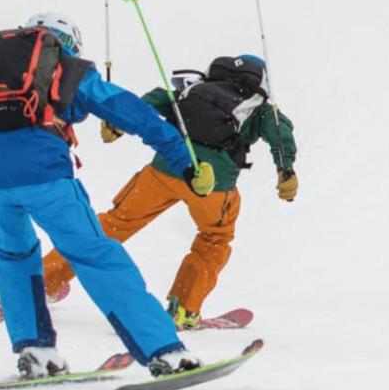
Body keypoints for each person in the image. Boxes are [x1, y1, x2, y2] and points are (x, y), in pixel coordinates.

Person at [0, 12, 216, 378]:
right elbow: (131, 111)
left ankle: (36, 353)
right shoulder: (64, 68)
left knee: (15, 253)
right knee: (94, 253)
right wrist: (184, 161)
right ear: (69, 44)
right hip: (43, 175)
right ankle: (165, 351)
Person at [42, 54, 298, 327]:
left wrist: (117, 125)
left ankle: (44, 281)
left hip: (165, 170)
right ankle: (184, 308)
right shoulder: (259, 106)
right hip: (212, 187)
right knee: (214, 237)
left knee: (115, 223)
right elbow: (280, 135)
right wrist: (286, 171)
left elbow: (151, 100)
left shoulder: (193, 89)